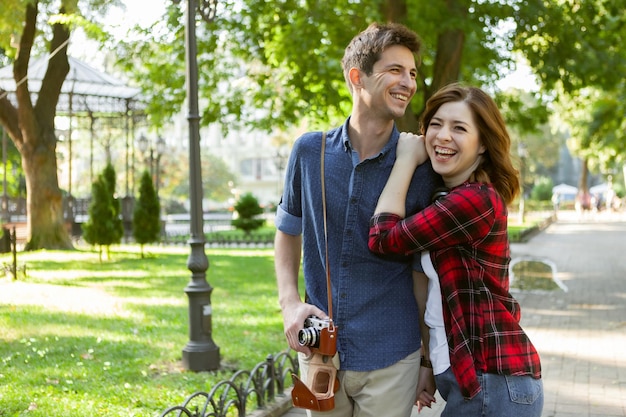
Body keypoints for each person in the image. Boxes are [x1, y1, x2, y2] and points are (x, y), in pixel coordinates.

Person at [274, 22, 441, 417]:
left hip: (391, 355)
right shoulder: (308, 152)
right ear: (357, 77)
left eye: (413, 73)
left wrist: (425, 360)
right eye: (395, 70)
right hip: (320, 354)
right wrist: (289, 304)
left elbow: (421, 272)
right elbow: (287, 232)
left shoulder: (418, 166)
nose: (409, 82)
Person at [368, 83, 543, 416]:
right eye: (436, 124)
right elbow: (436, 300)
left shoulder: (475, 200)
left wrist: (405, 160)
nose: (443, 136)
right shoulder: (446, 198)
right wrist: (427, 363)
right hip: (480, 383)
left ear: (482, 146)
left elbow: (382, 238)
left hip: (496, 386)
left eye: (459, 128)